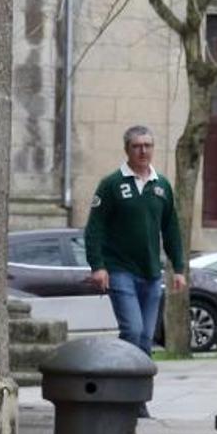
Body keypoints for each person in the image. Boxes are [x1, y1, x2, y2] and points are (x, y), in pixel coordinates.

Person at [85, 125, 186, 417]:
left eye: (148, 145)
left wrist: (178, 268)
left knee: (145, 339)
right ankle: (122, 394)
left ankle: (137, 396)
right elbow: (95, 228)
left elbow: (172, 230)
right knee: (133, 330)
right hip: (119, 270)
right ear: (127, 149)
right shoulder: (112, 184)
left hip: (151, 273)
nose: (143, 151)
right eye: (137, 146)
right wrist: (98, 266)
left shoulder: (161, 186)